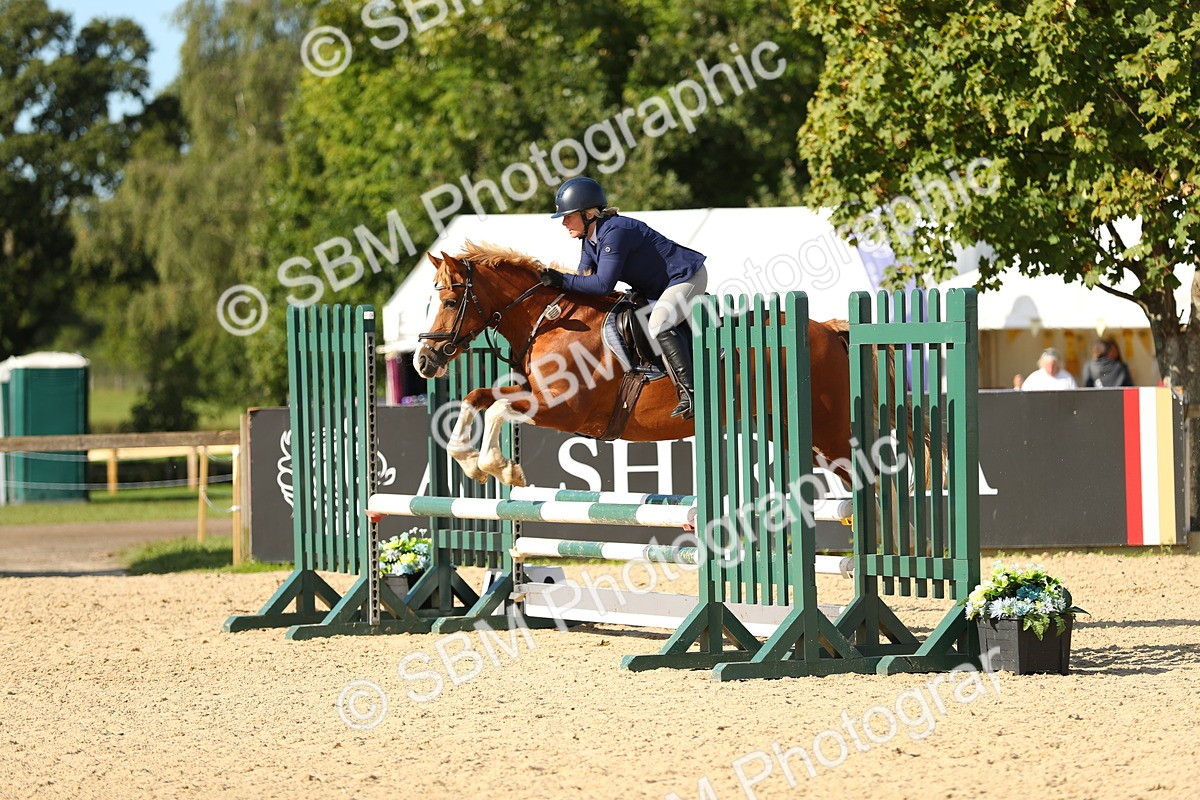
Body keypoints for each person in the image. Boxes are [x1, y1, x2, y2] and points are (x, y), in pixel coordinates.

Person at [540, 176, 708, 419]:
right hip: (657, 289)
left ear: (589, 213)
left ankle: (692, 393)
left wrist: (561, 280)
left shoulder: (615, 231)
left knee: (659, 323)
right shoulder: (589, 240)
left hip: (685, 277)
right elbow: (582, 278)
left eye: (569, 215)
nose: (564, 222)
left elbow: (602, 285)